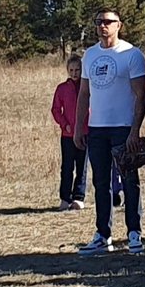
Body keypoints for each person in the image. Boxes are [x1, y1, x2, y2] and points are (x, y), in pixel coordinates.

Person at [75, 9, 145, 255]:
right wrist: (79, 127)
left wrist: (134, 130)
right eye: (99, 22)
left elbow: (141, 95)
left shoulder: (131, 54)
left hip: (123, 127)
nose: (103, 26)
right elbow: (84, 94)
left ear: (119, 25)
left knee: (130, 181)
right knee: (101, 182)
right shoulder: (90, 55)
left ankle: (134, 232)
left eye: (108, 22)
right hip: (97, 128)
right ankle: (103, 235)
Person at [51, 54, 88, 211]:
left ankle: (78, 197)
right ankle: (65, 198)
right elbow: (55, 109)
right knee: (67, 167)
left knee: (82, 166)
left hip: (85, 132)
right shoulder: (62, 88)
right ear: (67, 70)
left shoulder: (87, 87)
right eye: (71, 70)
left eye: (77, 70)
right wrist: (64, 124)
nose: (74, 73)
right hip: (67, 135)